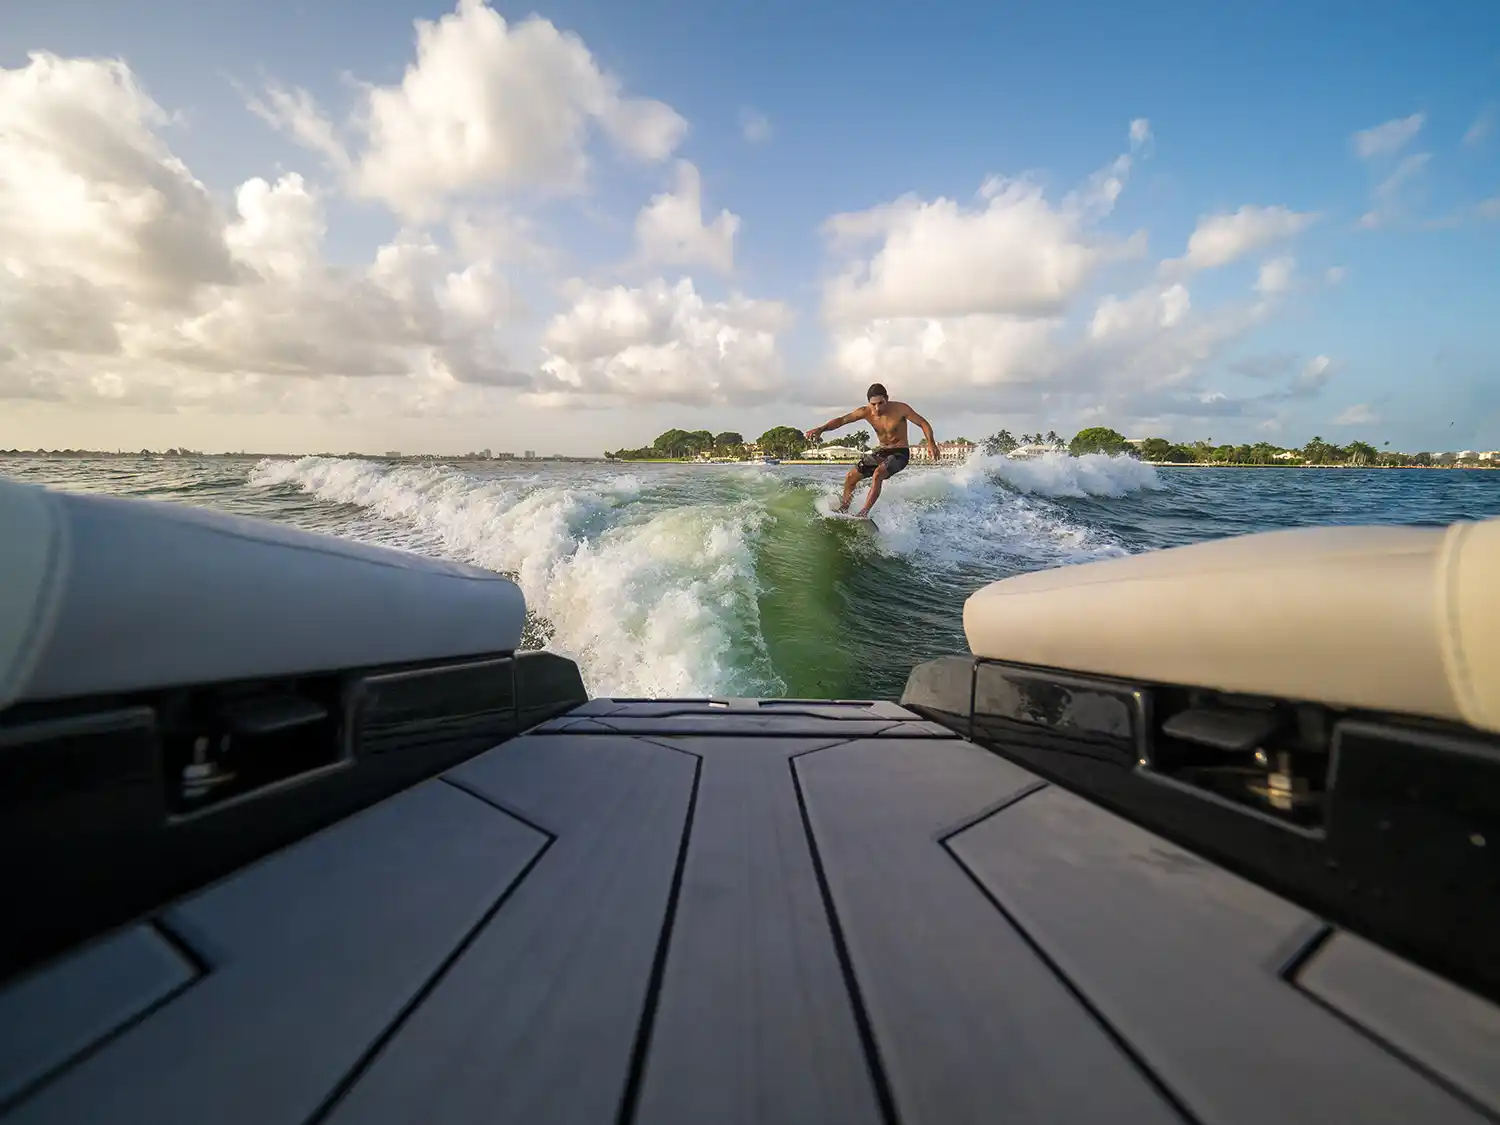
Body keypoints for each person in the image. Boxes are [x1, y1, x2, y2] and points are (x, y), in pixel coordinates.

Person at [804, 383, 939, 517]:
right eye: (873, 404)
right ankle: (844, 508)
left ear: (887, 398)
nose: (877, 408)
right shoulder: (866, 412)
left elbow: (923, 423)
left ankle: (863, 513)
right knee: (851, 477)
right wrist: (821, 429)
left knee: (878, 474)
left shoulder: (901, 409)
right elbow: (842, 420)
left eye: (881, 403)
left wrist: (931, 443)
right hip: (882, 451)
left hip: (900, 453)